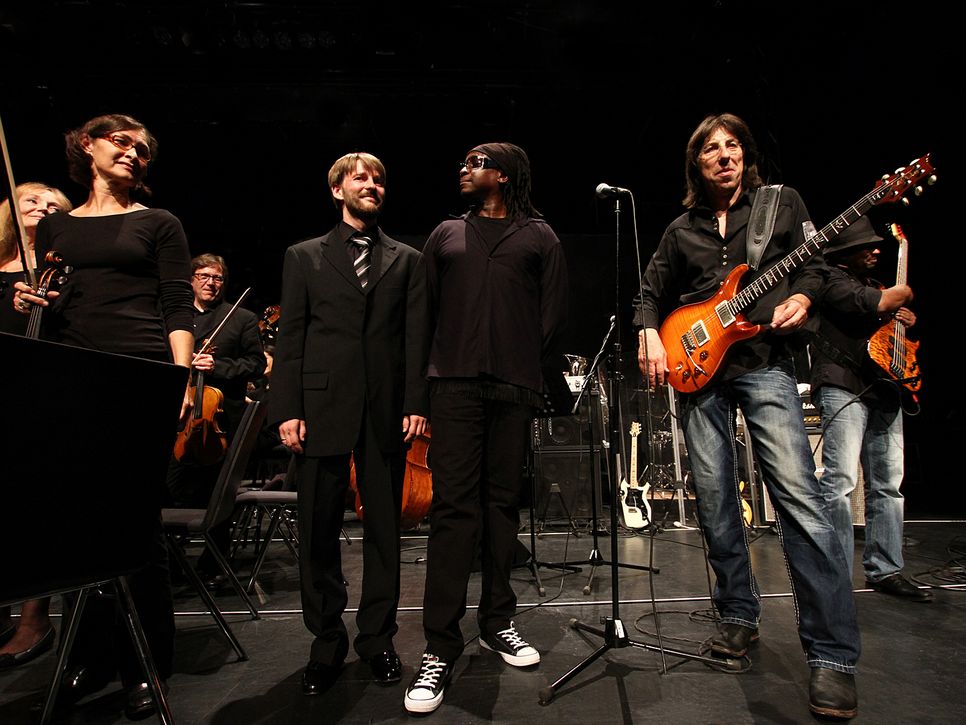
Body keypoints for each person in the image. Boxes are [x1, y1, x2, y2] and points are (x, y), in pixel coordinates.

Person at [633, 113, 860, 719]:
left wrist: (803, 295)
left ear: (745, 155)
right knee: (714, 503)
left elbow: (816, 265)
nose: (724, 155)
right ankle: (737, 614)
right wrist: (649, 332)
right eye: (711, 148)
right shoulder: (681, 229)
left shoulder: (780, 205)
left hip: (764, 363)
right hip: (698, 370)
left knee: (800, 503)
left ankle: (833, 658)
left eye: (733, 145)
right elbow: (649, 291)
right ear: (697, 163)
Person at [14, 113, 194, 721]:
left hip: (139, 374)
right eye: (121, 141)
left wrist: (180, 377)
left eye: (143, 148)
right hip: (72, 376)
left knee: (135, 525)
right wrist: (32, 297)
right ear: (86, 147)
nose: (133, 152)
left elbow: (176, 304)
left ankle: (147, 662)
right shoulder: (57, 227)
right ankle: (86, 656)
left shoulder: (158, 222)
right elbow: (53, 298)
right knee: (76, 525)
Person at [404, 142, 569, 715]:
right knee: (453, 511)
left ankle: (498, 623)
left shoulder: (540, 237)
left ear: (503, 174)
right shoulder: (447, 233)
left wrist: (517, 364)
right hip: (452, 388)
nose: (463, 167)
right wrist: (418, 395)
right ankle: (439, 647)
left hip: (512, 389)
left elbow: (551, 316)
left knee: (501, 507)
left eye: (475, 161)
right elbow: (422, 316)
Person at [269, 152, 429, 696]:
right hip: (320, 410)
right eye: (361, 177)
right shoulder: (303, 256)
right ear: (337, 189)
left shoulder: (407, 259)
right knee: (317, 532)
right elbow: (291, 336)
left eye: (379, 178)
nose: (372, 185)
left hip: (386, 411)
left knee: (385, 532)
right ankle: (325, 643)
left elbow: (416, 338)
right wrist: (287, 408)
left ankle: (378, 640)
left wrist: (416, 401)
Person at [809, 215, 931, 602]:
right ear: (844, 253)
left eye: (876, 245)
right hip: (843, 383)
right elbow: (865, 303)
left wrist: (903, 320)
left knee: (888, 484)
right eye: (865, 246)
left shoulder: (877, 285)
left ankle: (886, 568)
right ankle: (836, 573)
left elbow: (883, 317)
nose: (875, 250)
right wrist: (899, 298)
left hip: (884, 388)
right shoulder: (830, 279)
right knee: (840, 482)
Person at [0, 182, 72, 672]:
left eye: (53, 207)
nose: (42, 209)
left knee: (34, 506)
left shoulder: (60, 269)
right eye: (32, 201)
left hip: (40, 390)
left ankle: (34, 618)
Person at [166, 253, 264, 587]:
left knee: (217, 492)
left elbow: (255, 364)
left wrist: (217, 366)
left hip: (222, 420)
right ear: (191, 280)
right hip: (179, 418)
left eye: (218, 277)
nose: (211, 283)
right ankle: (171, 561)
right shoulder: (176, 319)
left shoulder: (240, 318)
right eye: (204, 276)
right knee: (170, 486)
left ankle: (215, 563)